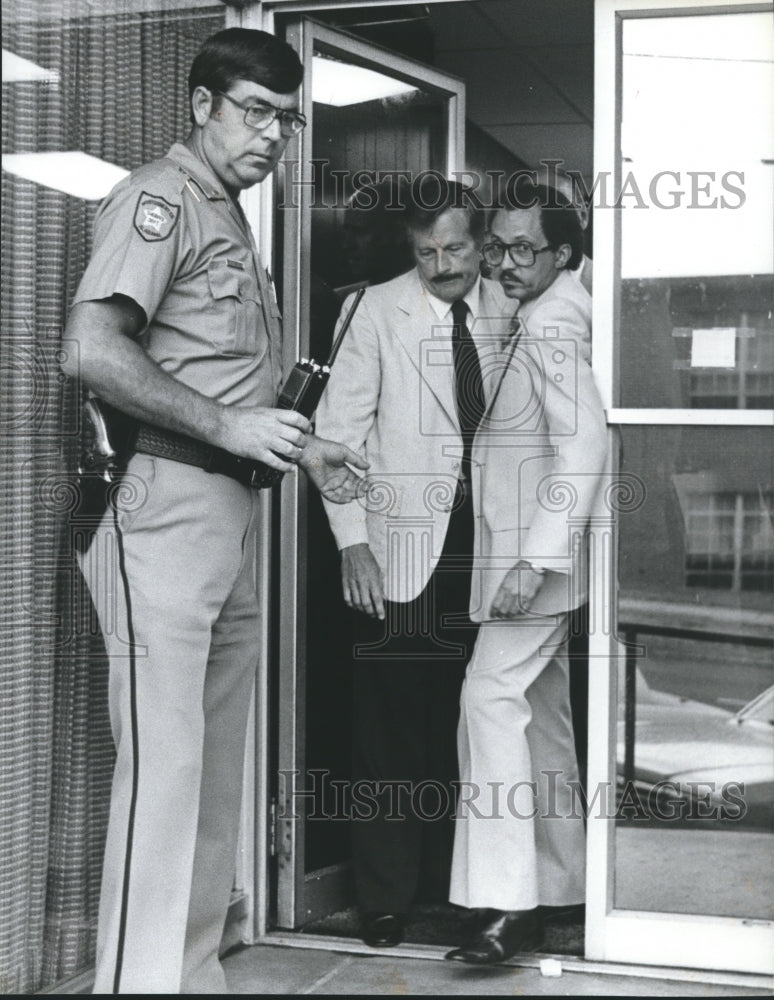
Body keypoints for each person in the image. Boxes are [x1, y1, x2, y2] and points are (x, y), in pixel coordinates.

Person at [61, 28, 366, 994]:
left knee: (207, 773)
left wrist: (299, 445)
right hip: (158, 505)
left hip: (223, 512)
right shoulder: (159, 200)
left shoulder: (229, 218)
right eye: (253, 111)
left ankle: (187, 977)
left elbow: (217, 375)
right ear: (201, 105)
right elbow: (92, 351)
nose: (273, 135)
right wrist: (230, 427)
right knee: (162, 775)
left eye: (287, 118)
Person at [315, 178, 512, 948]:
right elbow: (337, 438)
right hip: (400, 546)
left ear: (481, 242)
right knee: (390, 727)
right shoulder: (371, 310)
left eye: (455, 248)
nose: (441, 266)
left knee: (476, 723)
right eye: (426, 251)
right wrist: (352, 543)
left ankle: (463, 890)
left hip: (492, 547)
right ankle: (388, 898)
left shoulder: (511, 304)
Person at [444, 181, 608, 965]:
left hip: (532, 563)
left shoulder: (552, 325)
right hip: (538, 560)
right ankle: (566, 891)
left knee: (489, 699)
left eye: (523, 249)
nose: (504, 263)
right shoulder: (548, 309)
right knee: (542, 721)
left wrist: (535, 559)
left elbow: (585, 450)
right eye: (496, 246)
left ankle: (507, 905)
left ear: (564, 255)